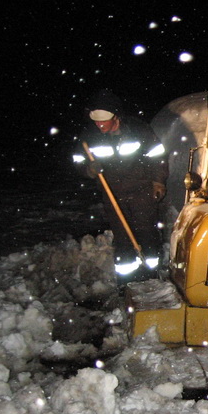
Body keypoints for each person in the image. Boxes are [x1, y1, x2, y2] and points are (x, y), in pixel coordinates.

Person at [71, 89, 168, 282]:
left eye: (103, 120)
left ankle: (151, 276)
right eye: (96, 121)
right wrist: (89, 169)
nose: (99, 125)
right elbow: (77, 160)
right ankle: (127, 281)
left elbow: (157, 156)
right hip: (113, 194)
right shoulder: (89, 137)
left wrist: (158, 181)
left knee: (147, 233)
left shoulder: (138, 130)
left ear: (116, 116)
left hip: (142, 191)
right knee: (123, 239)